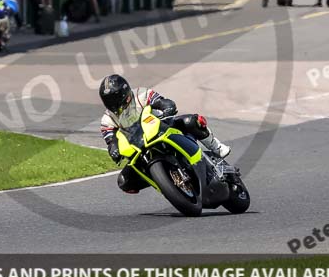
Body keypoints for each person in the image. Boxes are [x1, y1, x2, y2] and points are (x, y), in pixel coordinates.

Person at [99, 74, 231, 195]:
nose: (113, 104)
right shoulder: (107, 118)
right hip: (139, 146)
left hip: (163, 128)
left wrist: (167, 106)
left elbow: (161, 101)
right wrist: (114, 149)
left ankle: (216, 147)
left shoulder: (141, 94)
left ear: (124, 92)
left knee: (191, 121)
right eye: (109, 101)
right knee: (124, 181)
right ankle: (165, 182)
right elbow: (110, 139)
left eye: (115, 99)